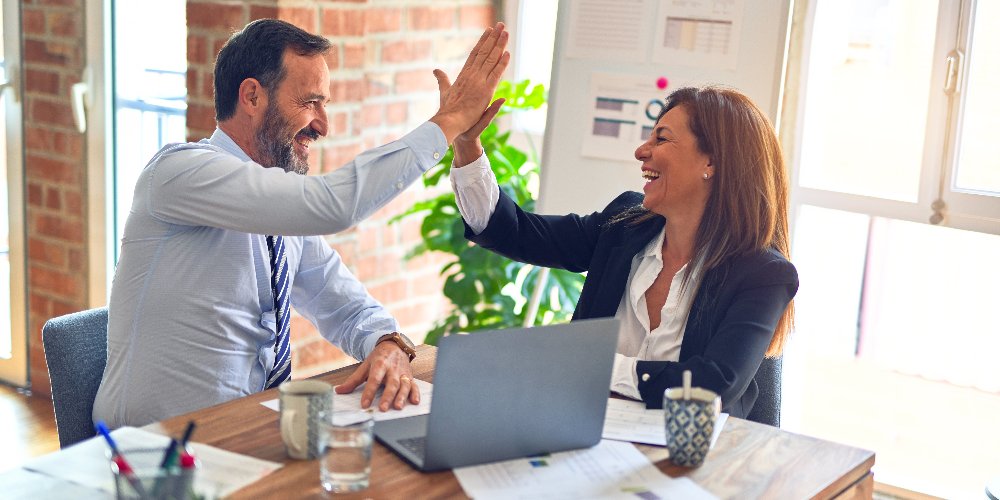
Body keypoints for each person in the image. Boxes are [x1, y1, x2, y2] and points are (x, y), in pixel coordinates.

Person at [93, 18, 510, 428]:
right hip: (153, 455)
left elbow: (345, 304)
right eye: (310, 102)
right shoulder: (180, 173)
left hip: (248, 434)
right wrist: (449, 121)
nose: (323, 125)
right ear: (252, 97)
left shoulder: (279, 214)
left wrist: (388, 343)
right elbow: (333, 205)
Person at [449, 86, 798, 419]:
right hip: (585, 436)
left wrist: (593, 365)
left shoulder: (763, 274)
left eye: (661, 138)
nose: (641, 151)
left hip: (693, 462)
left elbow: (710, 387)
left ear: (712, 162)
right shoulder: (624, 226)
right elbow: (515, 232)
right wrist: (467, 144)